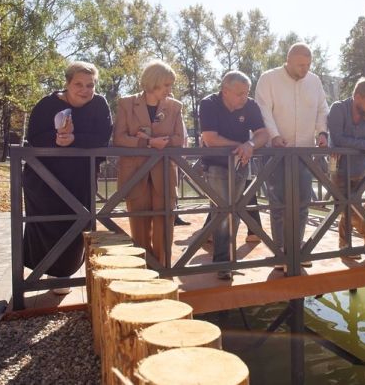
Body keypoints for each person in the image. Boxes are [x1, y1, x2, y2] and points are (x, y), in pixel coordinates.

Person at [23, 61, 112, 294]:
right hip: (45, 179)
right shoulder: (46, 104)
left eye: (90, 85)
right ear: (67, 83)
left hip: (81, 176)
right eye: (79, 84)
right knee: (48, 224)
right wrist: (56, 139)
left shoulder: (100, 104)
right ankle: (44, 273)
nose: (85, 90)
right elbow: (34, 137)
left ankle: (64, 275)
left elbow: (103, 137)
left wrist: (75, 139)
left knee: (78, 223)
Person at [255, 42, 329, 269]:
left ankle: (296, 250)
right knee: (278, 203)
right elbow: (263, 109)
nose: (304, 69)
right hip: (276, 152)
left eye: (308, 65)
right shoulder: (268, 79)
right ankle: (280, 252)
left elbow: (322, 109)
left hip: (304, 152)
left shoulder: (314, 81)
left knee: (302, 202)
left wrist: (323, 132)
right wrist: (274, 136)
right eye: (300, 65)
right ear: (288, 61)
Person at [113, 60, 184, 264]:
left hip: (164, 174)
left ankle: (163, 267)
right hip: (134, 172)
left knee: (165, 222)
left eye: (171, 85)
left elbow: (181, 139)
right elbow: (119, 138)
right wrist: (148, 142)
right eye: (167, 85)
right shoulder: (126, 103)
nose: (170, 89)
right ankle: (143, 268)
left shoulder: (175, 106)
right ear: (153, 83)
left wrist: (166, 141)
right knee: (139, 224)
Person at [200, 71, 269, 280]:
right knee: (224, 212)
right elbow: (210, 139)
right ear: (225, 91)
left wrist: (250, 144)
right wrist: (241, 146)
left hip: (241, 165)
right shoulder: (209, 104)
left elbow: (263, 134)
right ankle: (224, 262)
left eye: (246, 92)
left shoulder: (250, 105)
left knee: (235, 211)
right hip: (216, 166)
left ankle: (222, 253)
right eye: (240, 93)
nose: (244, 97)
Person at [327, 77, 365, 259]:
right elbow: (336, 139)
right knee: (345, 205)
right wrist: (364, 145)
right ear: (357, 97)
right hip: (338, 167)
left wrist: (363, 145)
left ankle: (345, 246)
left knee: (351, 206)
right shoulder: (338, 108)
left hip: (361, 167)